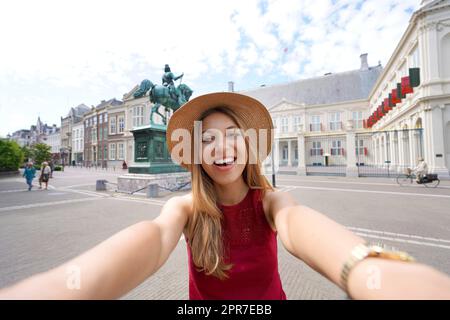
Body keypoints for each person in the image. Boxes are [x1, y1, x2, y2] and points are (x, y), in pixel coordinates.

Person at [1, 92, 450, 300]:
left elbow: (299, 225)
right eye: (208, 139)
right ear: (196, 152)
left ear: (248, 144)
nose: (221, 147)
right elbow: (153, 239)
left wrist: (366, 269)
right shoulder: (183, 207)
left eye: (232, 135)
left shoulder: (272, 202)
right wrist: (64, 286)